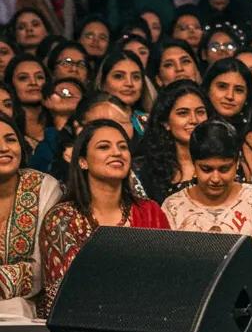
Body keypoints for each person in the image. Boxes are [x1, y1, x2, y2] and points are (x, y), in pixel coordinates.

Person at [39, 120, 169, 315]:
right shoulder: (63, 219)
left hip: (146, 318)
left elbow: (166, 277)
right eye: (104, 147)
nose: (117, 152)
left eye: (123, 147)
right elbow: (64, 292)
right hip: (80, 322)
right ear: (83, 161)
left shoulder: (149, 211)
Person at [0, 113, 62, 318]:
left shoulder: (43, 187)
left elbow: (40, 271)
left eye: (10, 139)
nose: (4, 148)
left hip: (26, 314)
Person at [162, 119, 252, 236]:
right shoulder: (173, 207)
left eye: (224, 169)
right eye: (206, 169)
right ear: (194, 164)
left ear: (237, 163)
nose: (215, 179)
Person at [136, 82, 209, 203]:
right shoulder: (150, 171)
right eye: (183, 113)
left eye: (200, 112)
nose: (194, 120)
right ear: (166, 123)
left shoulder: (226, 160)